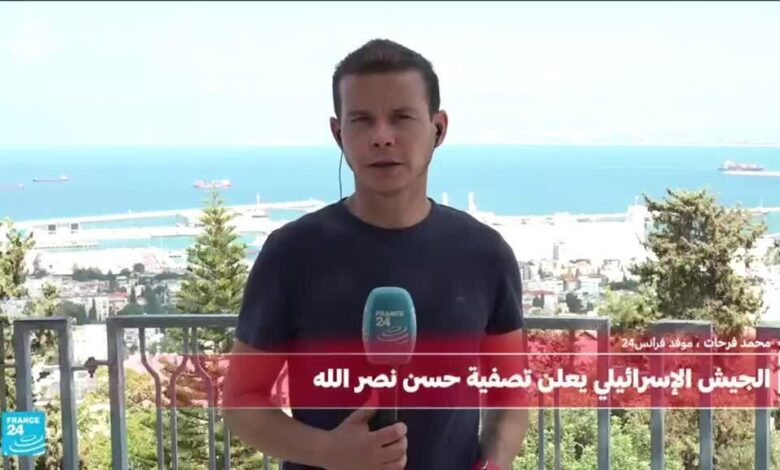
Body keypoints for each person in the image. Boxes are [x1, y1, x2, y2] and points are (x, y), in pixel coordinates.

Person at [222, 38, 529, 470]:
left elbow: (510, 392)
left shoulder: (485, 254)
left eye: (402, 117)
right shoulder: (291, 254)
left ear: (438, 128)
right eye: (362, 120)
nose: (382, 137)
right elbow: (242, 401)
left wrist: (492, 465)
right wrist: (328, 452)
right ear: (338, 134)